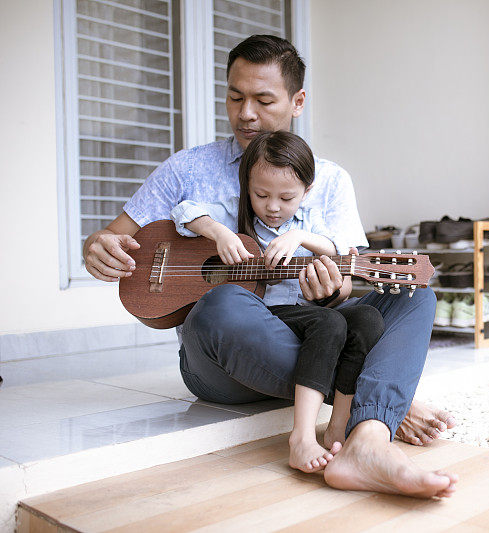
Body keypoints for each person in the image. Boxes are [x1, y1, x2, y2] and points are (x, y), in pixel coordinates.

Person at [84, 34, 457, 498]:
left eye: (263, 99)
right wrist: (97, 247)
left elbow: (350, 282)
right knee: (222, 304)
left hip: (319, 336)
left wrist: (332, 290)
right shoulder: (187, 170)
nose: (245, 113)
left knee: (414, 297)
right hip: (225, 360)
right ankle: (381, 403)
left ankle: (367, 445)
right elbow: (113, 234)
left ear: (298, 101)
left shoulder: (332, 180)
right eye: (235, 97)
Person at [171, 130, 383, 473]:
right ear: (247, 185)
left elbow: (341, 250)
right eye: (260, 194)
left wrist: (300, 237)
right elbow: (183, 210)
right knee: (329, 322)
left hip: (295, 324)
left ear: (307, 191)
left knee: (367, 318)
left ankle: (336, 428)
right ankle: (301, 438)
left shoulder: (309, 224)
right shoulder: (231, 214)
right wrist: (219, 233)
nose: (272, 207)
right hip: (255, 326)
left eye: (286, 197)